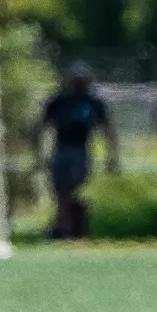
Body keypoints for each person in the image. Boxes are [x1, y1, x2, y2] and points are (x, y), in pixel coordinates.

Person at [36, 64, 120, 239]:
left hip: (80, 151)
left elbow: (107, 131)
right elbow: (41, 127)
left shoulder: (92, 103)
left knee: (75, 190)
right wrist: (38, 154)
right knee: (60, 192)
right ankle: (64, 228)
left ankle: (72, 227)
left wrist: (112, 157)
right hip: (60, 150)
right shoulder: (58, 101)